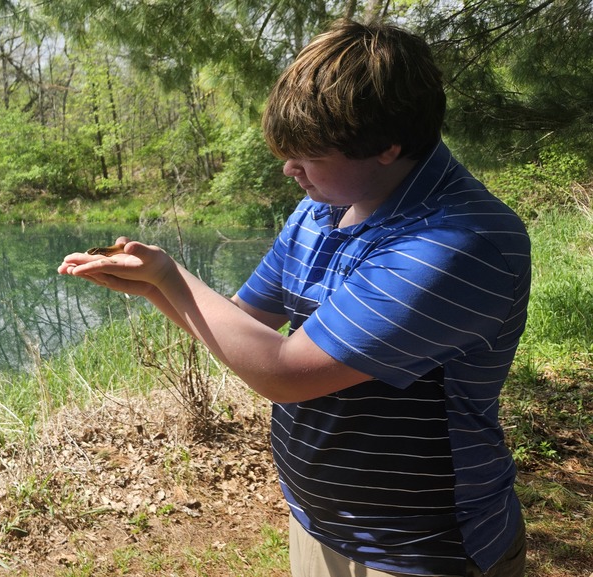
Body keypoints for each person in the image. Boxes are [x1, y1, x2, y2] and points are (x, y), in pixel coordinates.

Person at [58, 18, 529, 577]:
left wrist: (171, 278)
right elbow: (242, 324)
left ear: (387, 146)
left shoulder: (456, 243)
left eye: (309, 154)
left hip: (426, 549)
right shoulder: (322, 206)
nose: (289, 170)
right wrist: (151, 283)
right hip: (319, 523)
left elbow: (284, 373)